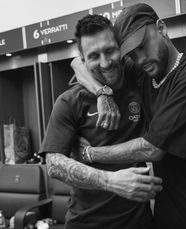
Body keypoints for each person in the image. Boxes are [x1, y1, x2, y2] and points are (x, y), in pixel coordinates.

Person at [74, 3, 186, 229]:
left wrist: (90, 154)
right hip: (167, 212)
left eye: (142, 45)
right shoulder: (144, 73)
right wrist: (102, 93)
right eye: (131, 53)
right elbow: (79, 63)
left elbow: (153, 148)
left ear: (161, 28)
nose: (140, 59)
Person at [39, 14, 163, 229]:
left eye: (110, 50)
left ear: (120, 48)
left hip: (139, 222)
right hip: (85, 223)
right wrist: (109, 181)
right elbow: (53, 164)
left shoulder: (139, 81)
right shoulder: (70, 101)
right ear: (83, 59)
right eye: (94, 56)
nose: (105, 62)